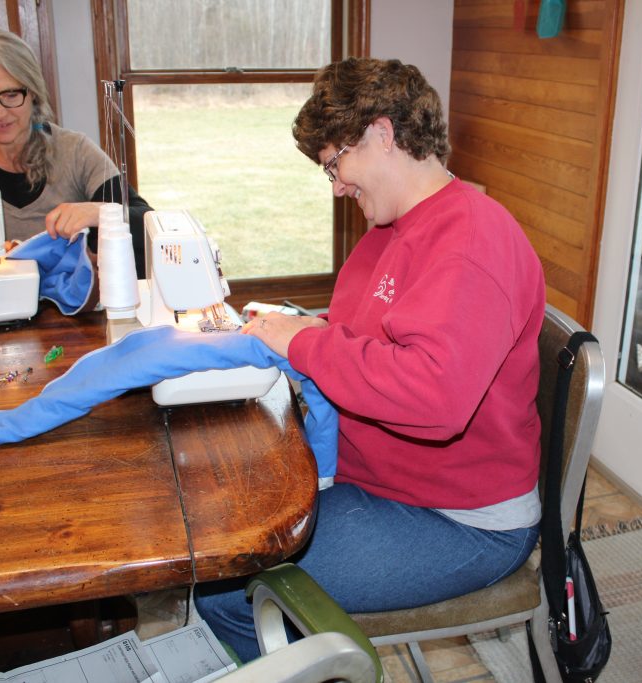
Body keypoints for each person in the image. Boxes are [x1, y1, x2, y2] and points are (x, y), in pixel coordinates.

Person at [195, 57, 547, 662]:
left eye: (336, 163)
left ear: (382, 134)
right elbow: (371, 335)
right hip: (382, 480)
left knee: (225, 591)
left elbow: (434, 397)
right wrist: (301, 329)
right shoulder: (392, 230)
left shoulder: (470, 239)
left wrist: (303, 341)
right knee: (217, 519)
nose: (335, 186)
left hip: (459, 519)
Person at [0, 28, 150, 277]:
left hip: (69, 312)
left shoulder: (75, 152)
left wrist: (99, 212)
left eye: (11, 94)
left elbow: (149, 222)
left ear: (32, 91)